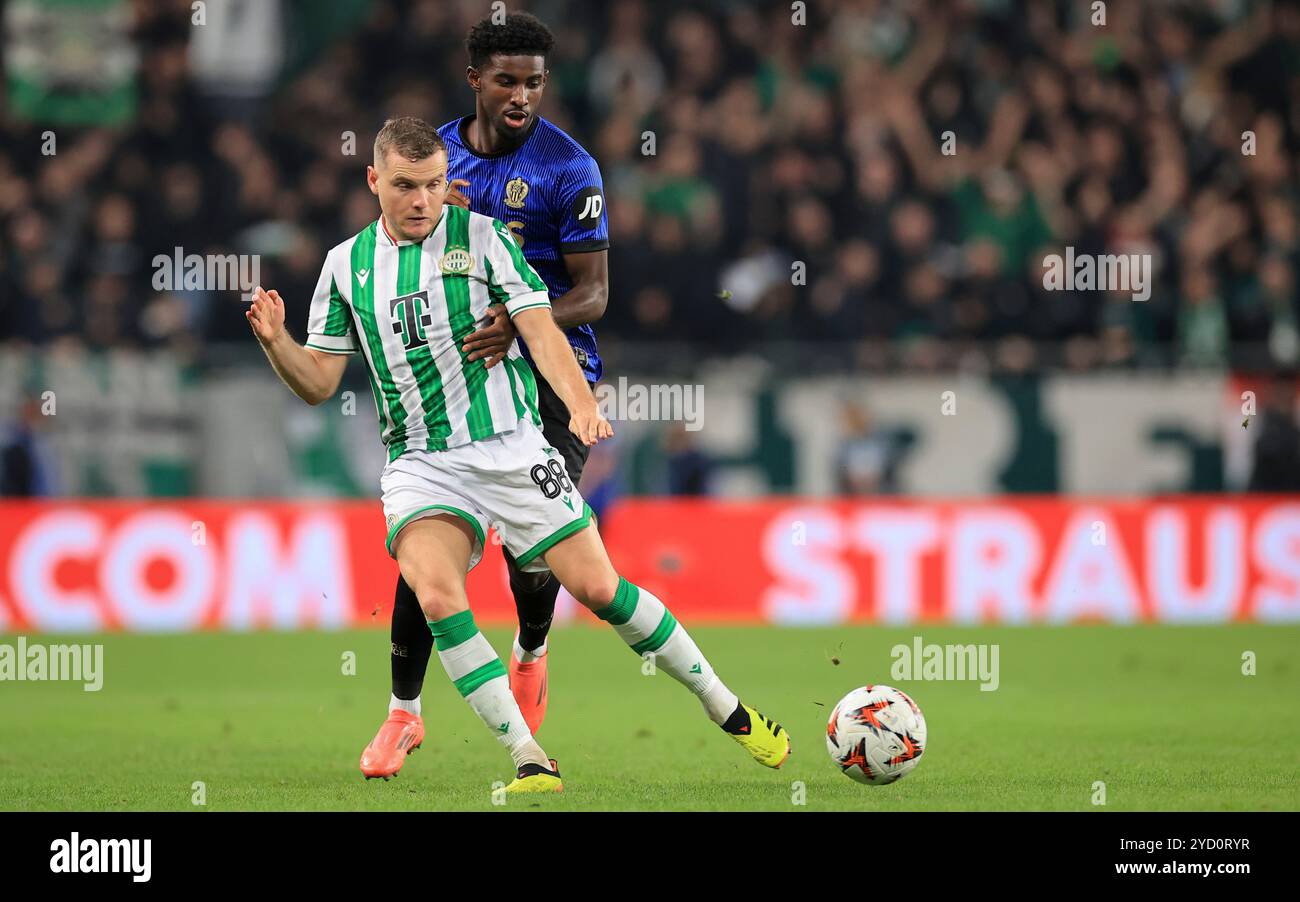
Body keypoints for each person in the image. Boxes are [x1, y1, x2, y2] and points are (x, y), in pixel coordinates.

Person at [246, 117, 788, 792]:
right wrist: (276, 344)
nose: (421, 201)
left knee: (599, 590)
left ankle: (727, 708)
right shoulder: (344, 266)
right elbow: (319, 384)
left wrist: (581, 403)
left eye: (434, 185)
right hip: (420, 464)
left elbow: (540, 327)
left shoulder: (485, 238)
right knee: (439, 596)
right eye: (405, 186)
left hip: (510, 446)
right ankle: (527, 755)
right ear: (374, 180)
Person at [361, 12, 613, 779]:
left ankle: (531, 650)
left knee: (535, 557)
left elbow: (593, 293)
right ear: (474, 79)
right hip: (459, 379)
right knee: (425, 555)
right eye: (506, 80)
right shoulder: (433, 161)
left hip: (548, 379)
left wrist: (516, 318)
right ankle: (404, 713)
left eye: (534, 81)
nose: (522, 95)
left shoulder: (572, 169)